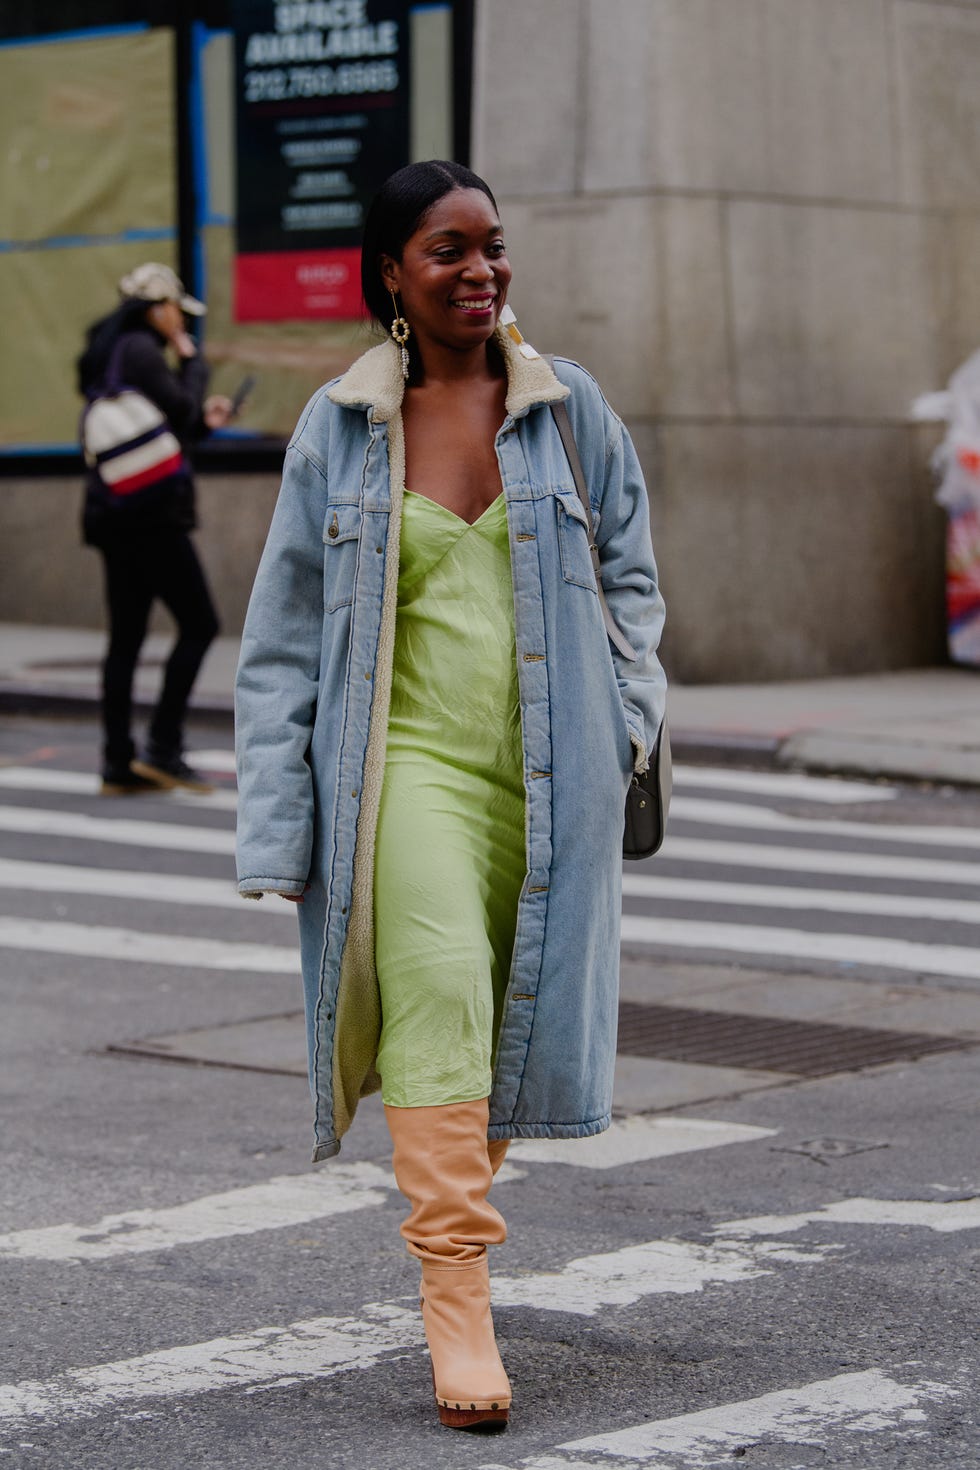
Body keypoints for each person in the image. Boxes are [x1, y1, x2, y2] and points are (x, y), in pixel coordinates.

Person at [235, 161, 667, 1432]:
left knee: (499, 1019)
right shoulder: (339, 427)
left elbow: (633, 582)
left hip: (553, 777)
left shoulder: (568, 410)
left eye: (491, 246)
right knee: (433, 996)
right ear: (391, 274)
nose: (479, 270)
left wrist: (626, 718)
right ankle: (458, 1300)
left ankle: (453, 1234)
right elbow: (282, 639)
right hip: (406, 775)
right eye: (446, 250)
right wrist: (279, 825)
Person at [77, 262, 233, 794]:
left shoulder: (111, 351)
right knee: (200, 623)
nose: (180, 322)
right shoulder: (144, 350)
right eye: (176, 312)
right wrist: (192, 363)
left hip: (114, 513)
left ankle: (118, 764)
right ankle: (163, 749)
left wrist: (200, 423)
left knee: (126, 639)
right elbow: (183, 408)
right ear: (159, 308)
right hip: (152, 518)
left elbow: (173, 429)